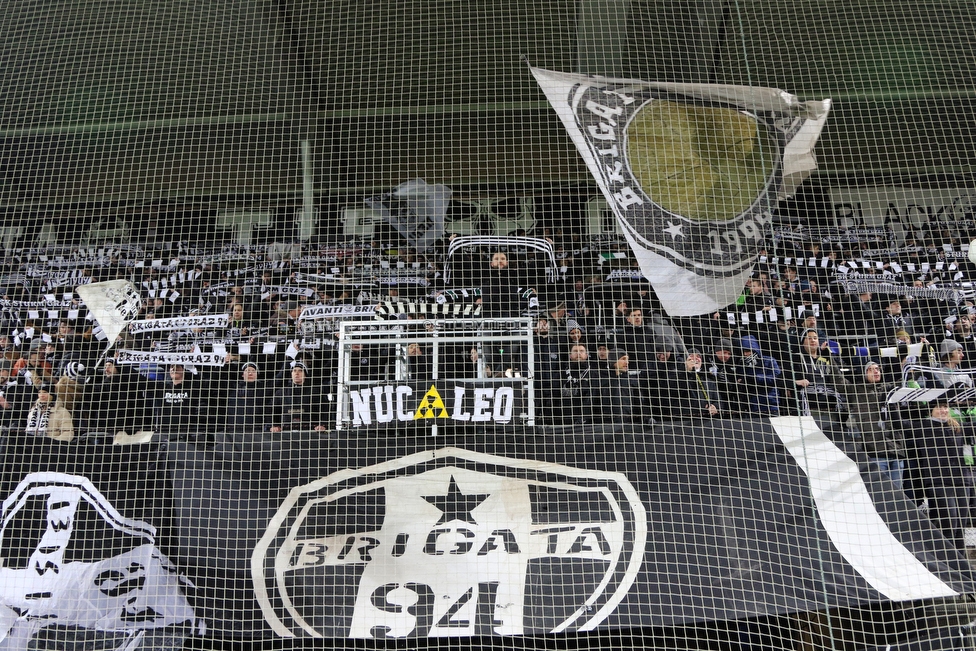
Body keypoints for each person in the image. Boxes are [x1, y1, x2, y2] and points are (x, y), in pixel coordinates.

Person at [905, 399, 970, 549]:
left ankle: (962, 566)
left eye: (945, 407)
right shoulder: (924, 426)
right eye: (938, 407)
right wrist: (893, 402)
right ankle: (947, 565)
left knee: (960, 528)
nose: (943, 410)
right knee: (950, 524)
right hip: (939, 481)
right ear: (930, 411)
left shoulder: (957, 427)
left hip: (962, 481)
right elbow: (900, 424)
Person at [842, 361, 907, 489]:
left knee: (898, 495)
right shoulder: (856, 391)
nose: (876, 371)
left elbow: (905, 379)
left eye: (877, 368)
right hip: (876, 453)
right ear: (864, 374)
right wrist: (828, 357)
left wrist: (907, 362)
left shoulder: (890, 389)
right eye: (871, 369)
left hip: (897, 452)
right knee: (880, 492)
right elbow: (838, 380)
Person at [793, 328, 849, 427]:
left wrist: (827, 355)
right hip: (807, 392)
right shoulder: (796, 357)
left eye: (815, 338)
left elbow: (837, 376)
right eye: (809, 338)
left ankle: (842, 426)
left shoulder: (825, 358)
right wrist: (796, 382)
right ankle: (806, 424)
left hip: (825, 391)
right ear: (802, 342)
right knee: (802, 395)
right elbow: (783, 379)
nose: (813, 340)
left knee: (840, 397)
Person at [656, 349, 720, 421]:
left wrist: (715, 407)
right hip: (683, 423)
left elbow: (719, 401)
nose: (695, 359)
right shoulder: (675, 377)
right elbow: (671, 394)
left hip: (706, 422)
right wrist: (688, 371)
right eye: (691, 356)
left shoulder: (709, 381)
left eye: (698, 356)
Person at [269, 362, 327, 432]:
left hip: (309, 431)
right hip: (285, 432)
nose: (297, 373)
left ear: (305, 375)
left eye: (300, 371)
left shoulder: (315, 392)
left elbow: (324, 410)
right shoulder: (280, 393)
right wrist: (275, 425)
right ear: (291, 374)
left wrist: (322, 425)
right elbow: (274, 411)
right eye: (294, 370)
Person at [738, 335, 782, 416]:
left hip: (770, 406)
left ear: (754, 350)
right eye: (743, 351)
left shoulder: (769, 361)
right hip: (751, 407)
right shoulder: (741, 365)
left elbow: (776, 379)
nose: (745, 354)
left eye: (747, 351)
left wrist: (753, 378)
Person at [224, 361, 268, 434]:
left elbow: (278, 378)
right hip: (234, 430)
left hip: (256, 430)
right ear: (242, 374)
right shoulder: (233, 388)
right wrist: (225, 364)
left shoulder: (263, 389)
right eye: (247, 370)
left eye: (253, 371)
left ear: (257, 374)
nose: (250, 373)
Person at [558, 343, 595, 425]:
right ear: (570, 355)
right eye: (575, 351)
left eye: (581, 351)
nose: (578, 353)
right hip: (565, 421)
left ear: (586, 355)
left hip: (588, 422)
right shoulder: (561, 374)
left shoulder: (594, 374)